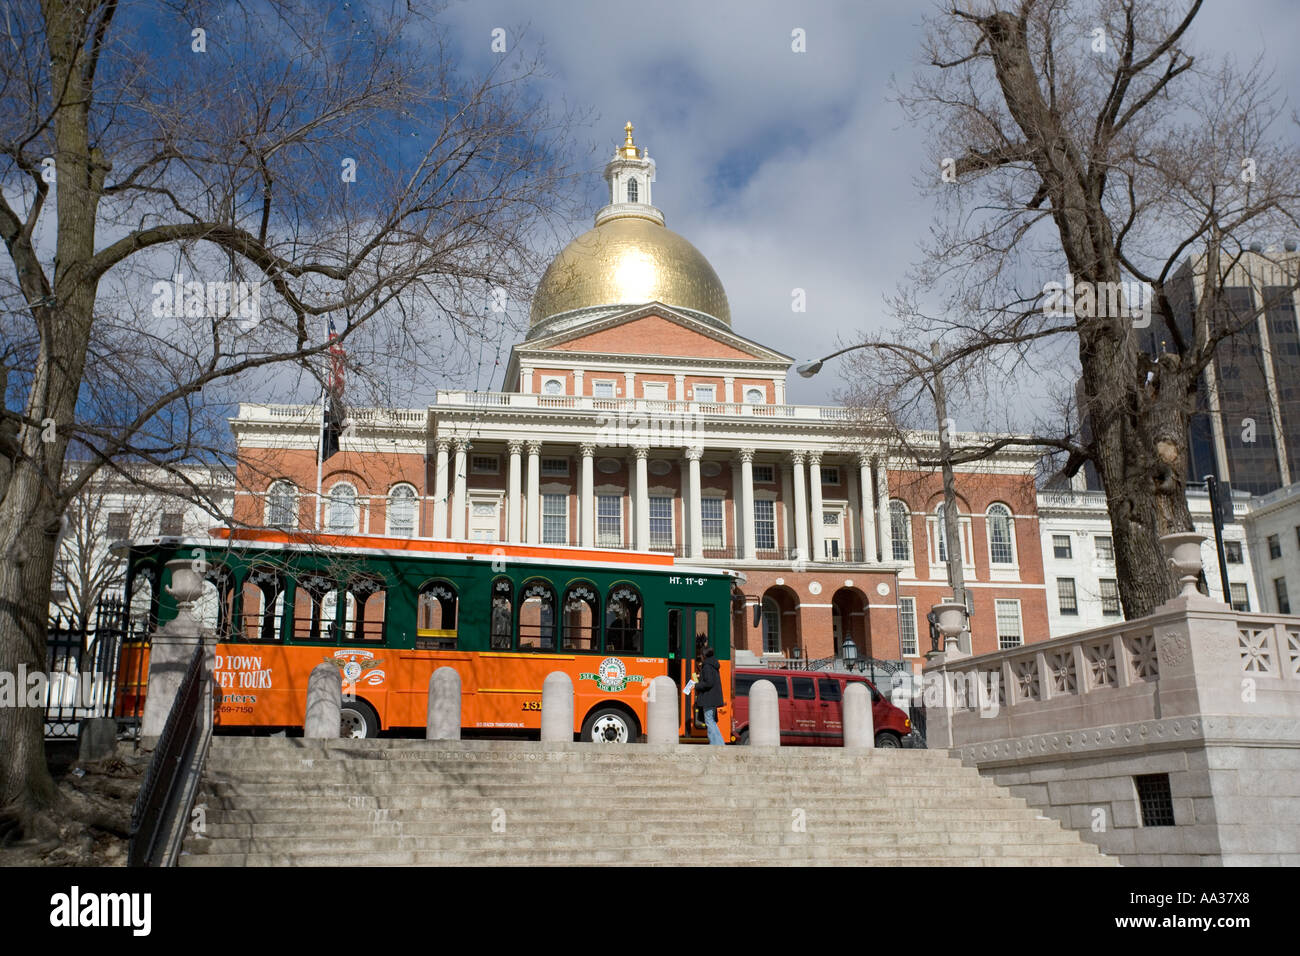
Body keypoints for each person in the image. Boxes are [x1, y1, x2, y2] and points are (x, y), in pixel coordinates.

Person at [695, 645, 725, 745]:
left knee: (709, 721)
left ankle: (716, 744)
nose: (700, 656)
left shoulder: (707, 666)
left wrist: (697, 685)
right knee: (711, 721)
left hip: (708, 698)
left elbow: (709, 683)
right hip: (713, 698)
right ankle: (719, 743)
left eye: (701, 654)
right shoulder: (713, 665)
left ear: (704, 655)